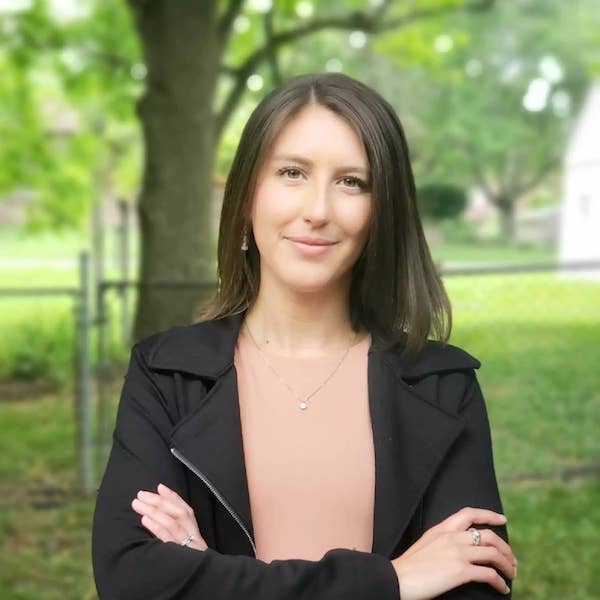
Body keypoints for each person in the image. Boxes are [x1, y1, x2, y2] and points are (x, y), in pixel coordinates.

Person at [91, 72, 517, 599]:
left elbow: (473, 586)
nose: (317, 210)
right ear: (248, 195)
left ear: (381, 212)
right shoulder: (166, 374)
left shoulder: (442, 385)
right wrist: (392, 581)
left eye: (351, 182)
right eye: (292, 172)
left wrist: (208, 574)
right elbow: (135, 581)